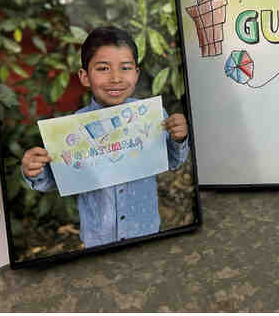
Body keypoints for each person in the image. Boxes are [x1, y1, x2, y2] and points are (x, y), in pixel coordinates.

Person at [21, 26, 190, 248]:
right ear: (85, 77)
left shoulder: (152, 118)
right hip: (98, 242)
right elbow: (55, 180)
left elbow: (174, 160)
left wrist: (179, 138)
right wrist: (35, 170)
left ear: (136, 74)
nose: (116, 78)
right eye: (103, 68)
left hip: (146, 233)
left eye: (125, 68)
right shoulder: (72, 131)